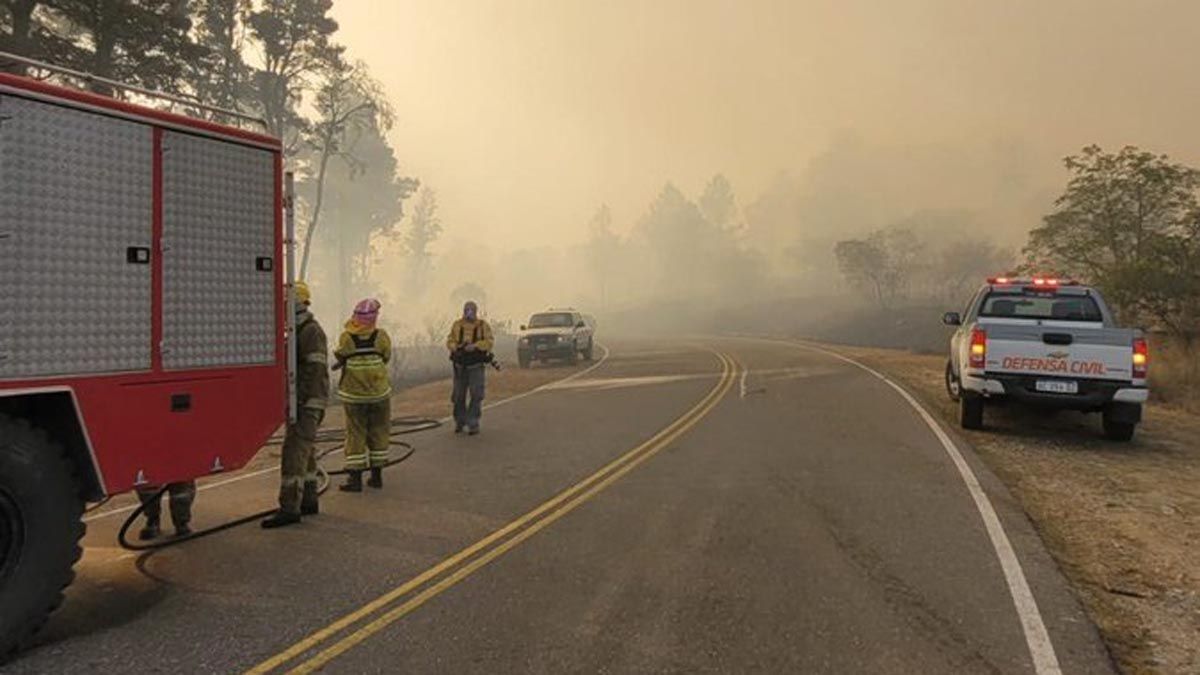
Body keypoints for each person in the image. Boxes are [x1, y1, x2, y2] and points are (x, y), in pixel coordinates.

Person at [263, 281, 330, 529]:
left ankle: (289, 507)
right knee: (306, 451)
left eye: (283, 301)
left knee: (293, 452)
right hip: (304, 400)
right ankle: (309, 499)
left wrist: (298, 398)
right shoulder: (295, 330)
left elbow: (314, 369)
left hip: (307, 401)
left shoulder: (310, 331)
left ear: (296, 302)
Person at [333, 298, 393, 492]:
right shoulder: (381, 336)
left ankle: (355, 480)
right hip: (379, 394)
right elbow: (386, 356)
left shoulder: (346, 337)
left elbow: (341, 353)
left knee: (355, 433)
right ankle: (377, 477)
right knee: (378, 431)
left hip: (354, 396)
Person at [446, 300, 494, 435]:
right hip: (460, 366)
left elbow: (489, 342)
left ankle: (473, 422)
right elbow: (450, 341)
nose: (469, 312)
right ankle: (459, 421)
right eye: (467, 310)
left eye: (471, 310)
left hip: (476, 366)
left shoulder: (483, 326)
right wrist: (457, 347)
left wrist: (476, 346)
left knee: (477, 394)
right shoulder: (457, 325)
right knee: (458, 396)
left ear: (476, 311)